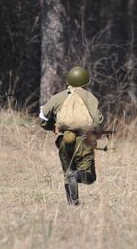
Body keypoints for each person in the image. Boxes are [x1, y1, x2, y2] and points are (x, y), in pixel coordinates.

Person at [39, 66, 104, 205]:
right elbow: (98, 121)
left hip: (63, 139)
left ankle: (73, 203)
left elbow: (43, 120)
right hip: (84, 140)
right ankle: (76, 176)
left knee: (67, 172)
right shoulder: (90, 98)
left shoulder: (58, 98)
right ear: (86, 82)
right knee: (89, 176)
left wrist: (53, 128)